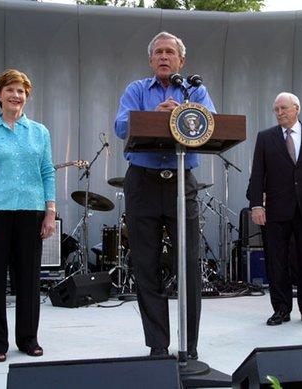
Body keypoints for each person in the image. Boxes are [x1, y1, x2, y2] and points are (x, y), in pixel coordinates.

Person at [114, 32, 216, 358]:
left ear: (181, 60)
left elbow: (211, 122)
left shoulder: (195, 90)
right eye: (158, 52)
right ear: (150, 59)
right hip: (142, 182)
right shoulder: (137, 90)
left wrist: (182, 112)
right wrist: (153, 117)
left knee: (188, 262)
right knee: (146, 265)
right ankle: (158, 345)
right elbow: (120, 125)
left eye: (170, 52)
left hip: (180, 180)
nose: (163, 56)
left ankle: (190, 346)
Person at [0, 69, 56, 362]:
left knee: (29, 279)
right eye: (10, 90)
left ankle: (28, 339)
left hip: (31, 212)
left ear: (26, 97)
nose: (16, 96)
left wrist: (50, 211)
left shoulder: (40, 132)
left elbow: (47, 172)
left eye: (21, 91)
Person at [247, 92, 302, 327]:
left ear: (297, 109)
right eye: (276, 109)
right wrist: (256, 205)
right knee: (276, 261)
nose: (280, 113)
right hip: (275, 211)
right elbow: (258, 173)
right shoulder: (265, 137)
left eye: (284, 108)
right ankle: (281, 309)